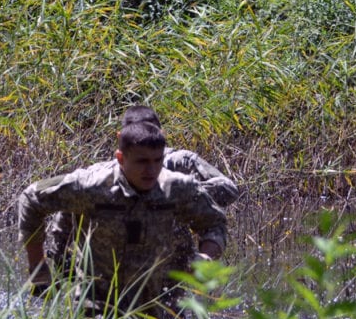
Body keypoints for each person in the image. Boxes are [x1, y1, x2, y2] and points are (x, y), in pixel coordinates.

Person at [18, 120, 227, 319]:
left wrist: (204, 258)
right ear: (120, 158)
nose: (151, 170)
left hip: (156, 306)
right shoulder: (92, 186)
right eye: (142, 161)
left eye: (157, 161)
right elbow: (32, 198)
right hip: (99, 305)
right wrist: (38, 266)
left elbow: (215, 222)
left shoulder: (176, 189)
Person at [46, 105, 238, 273]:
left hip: (168, 264)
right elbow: (62, 225)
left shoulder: (179, 162)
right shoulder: (101, 176)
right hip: (109, 273)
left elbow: (228, 189)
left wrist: (180, 197)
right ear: (122, 139)